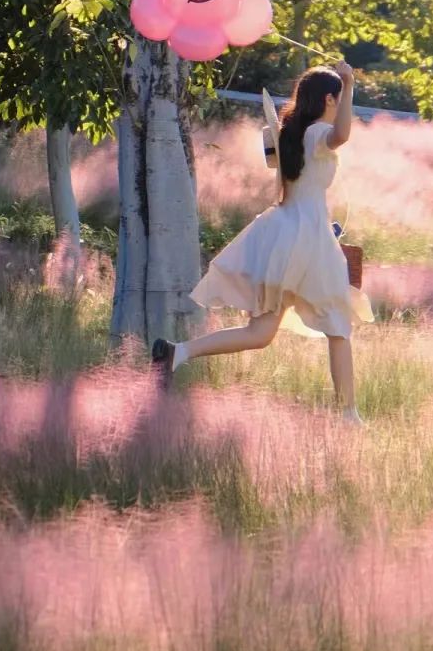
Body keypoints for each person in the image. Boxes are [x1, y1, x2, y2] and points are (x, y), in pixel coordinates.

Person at [151, 60, 370, 423]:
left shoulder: (288, 133)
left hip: (287, 237)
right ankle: (348, 414)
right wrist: (349, 82)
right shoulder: (316, 134)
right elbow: (342, 135)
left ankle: (178, 353)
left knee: (261, 332)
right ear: (330, 100)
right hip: (307, 241)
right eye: (339, 99)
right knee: (337, 325)